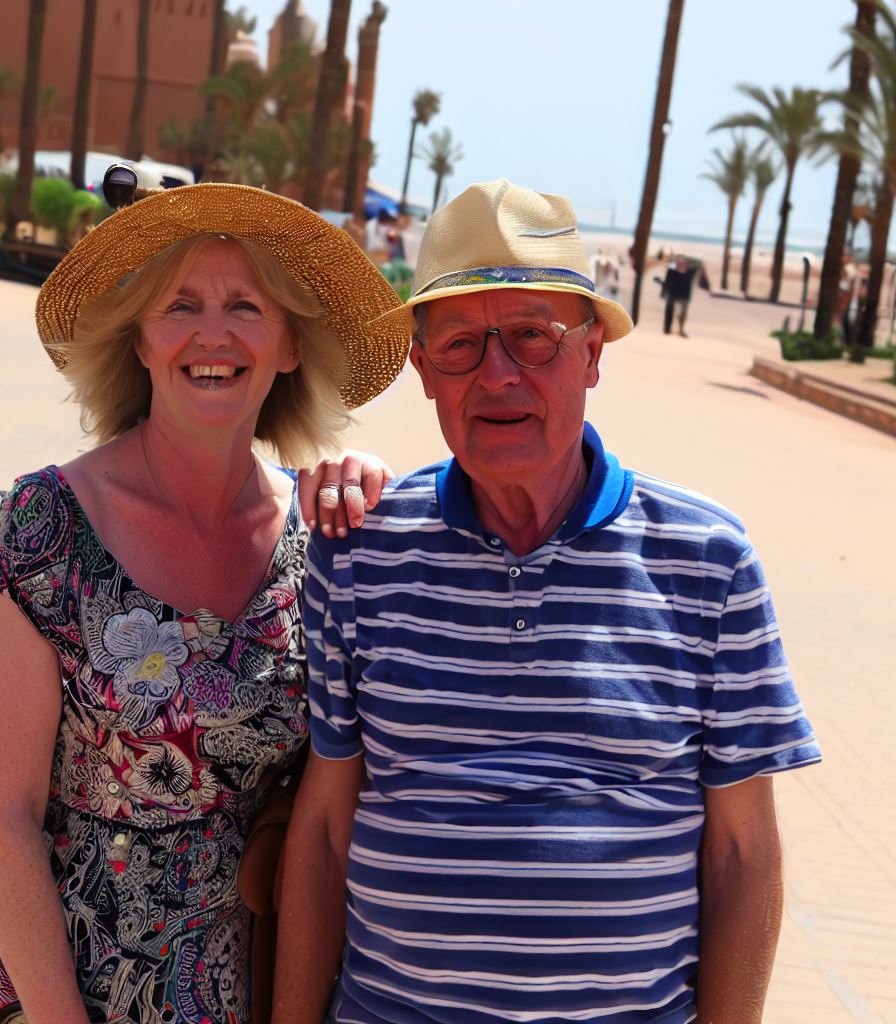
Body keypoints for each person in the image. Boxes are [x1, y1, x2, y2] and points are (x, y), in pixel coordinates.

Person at [274, 179, 821, 1024]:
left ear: (593, 353)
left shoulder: (709, 562)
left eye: (532, 336)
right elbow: (320, 830)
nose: (496, 374)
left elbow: (745, 854)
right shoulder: (361, 549)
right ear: (422, 370)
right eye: (459, 344)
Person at [0, 182, 411, 1024]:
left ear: (291, 344)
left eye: (246, 307)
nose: (213, 333)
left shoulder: (323, 542)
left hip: (227, 989)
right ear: (142, 341)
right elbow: (2, 821)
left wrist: (364, 487)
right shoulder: (47, 525)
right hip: (42, 989)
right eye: (180, 305)